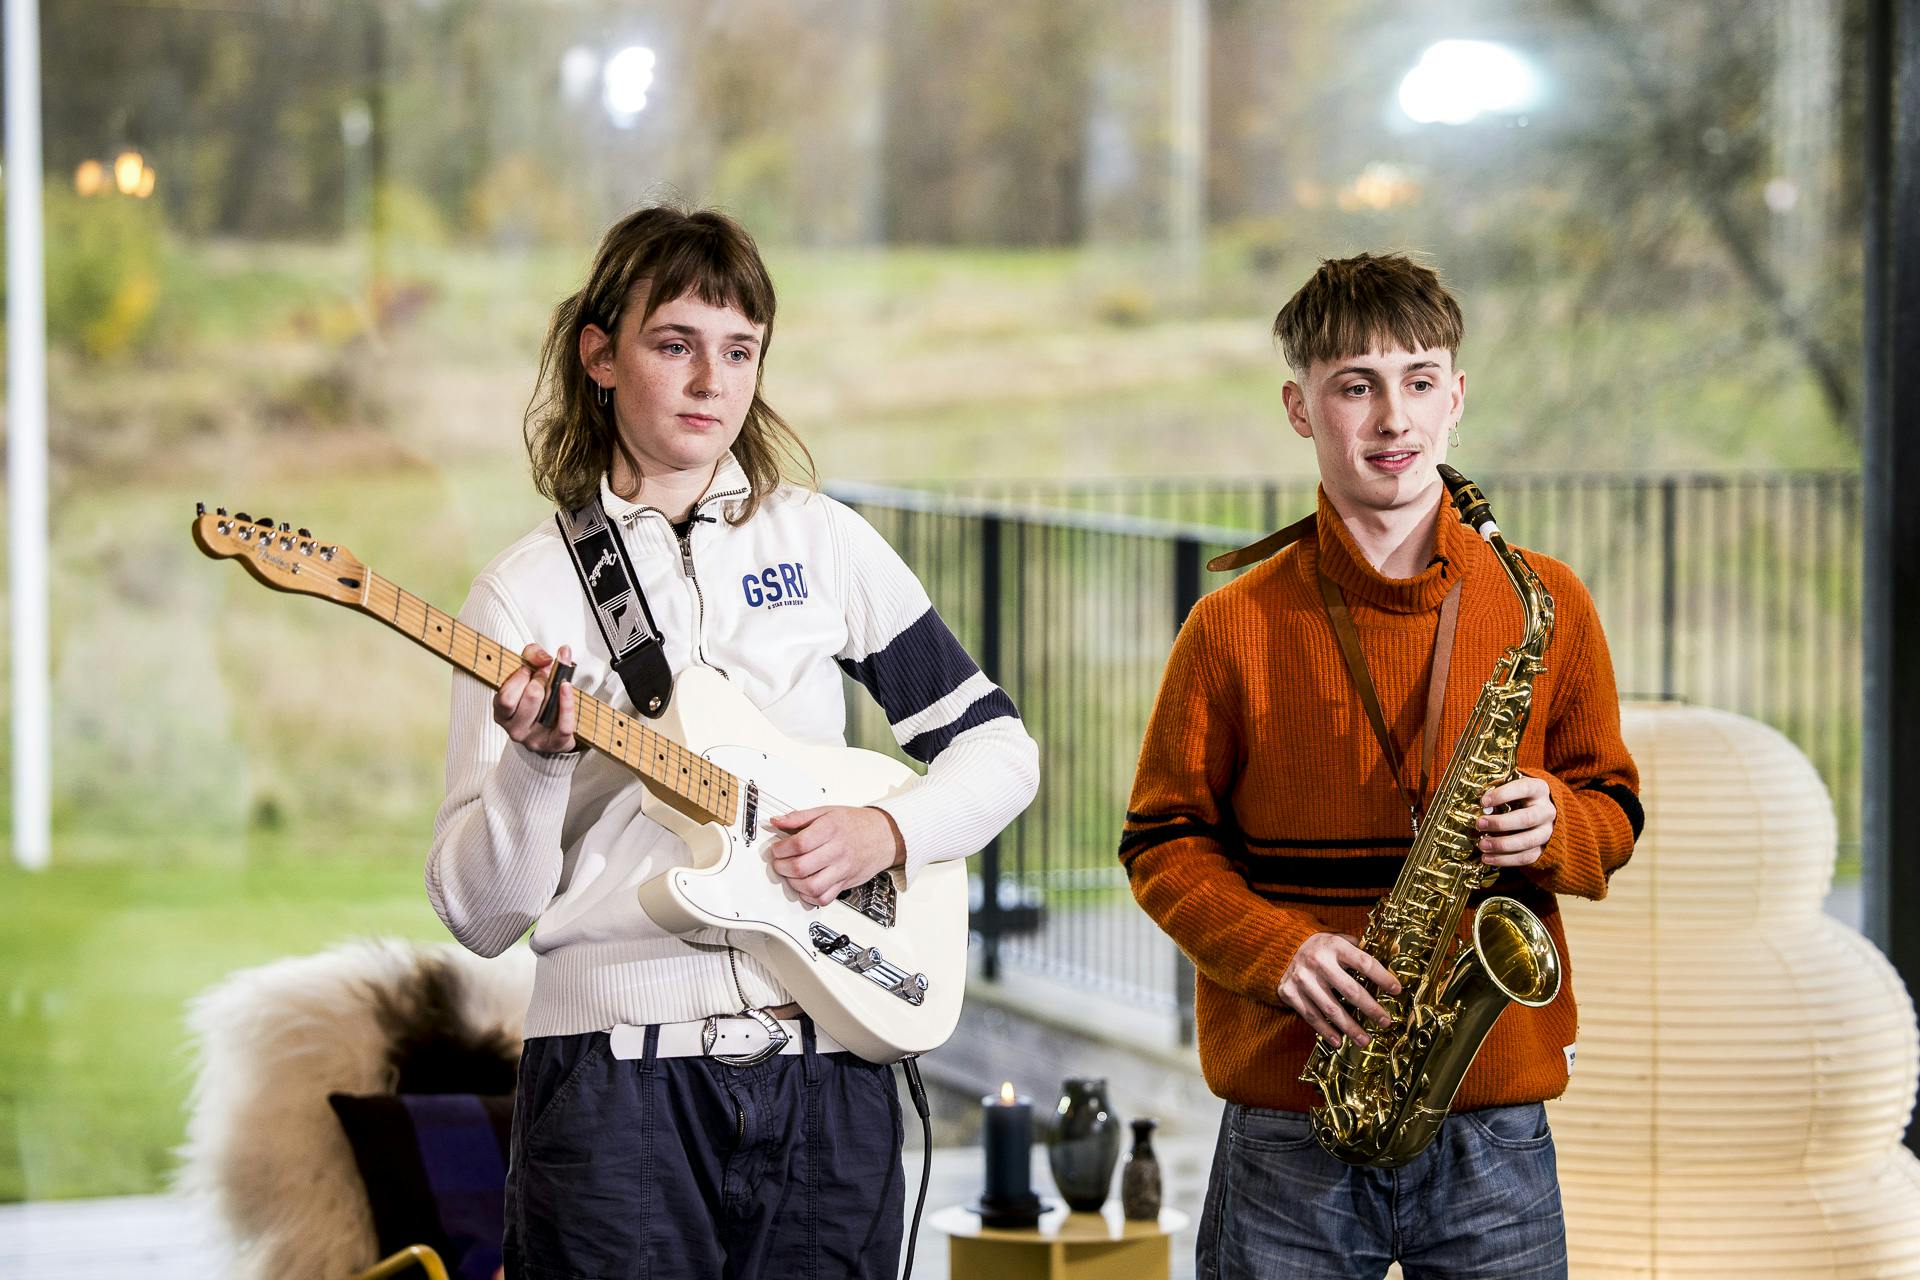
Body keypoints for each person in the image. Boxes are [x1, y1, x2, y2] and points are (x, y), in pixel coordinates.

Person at [426, 205, 1039, 1280]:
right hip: (614, 1096)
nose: (713, 380)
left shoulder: (822, 541)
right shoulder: (522, 591)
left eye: (740, 349)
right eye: (676, 345)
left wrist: (884, 829)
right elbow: (483, 913)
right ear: (601, 354)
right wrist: (532, 764)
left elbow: (998, 751)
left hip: (826, 1076)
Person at [1121, 253, 1641, 1280]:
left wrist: (1561, 823)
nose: (1392, 417)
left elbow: (1614, 807)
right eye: (1355, 384)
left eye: (1418, 379)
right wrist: (1280, 951)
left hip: (1494, 1119)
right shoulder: (1231, 626)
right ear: (1300, 408)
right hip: (1290, 1119)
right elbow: (1161, 844)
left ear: (1457, 397)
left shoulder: (1549, 602)